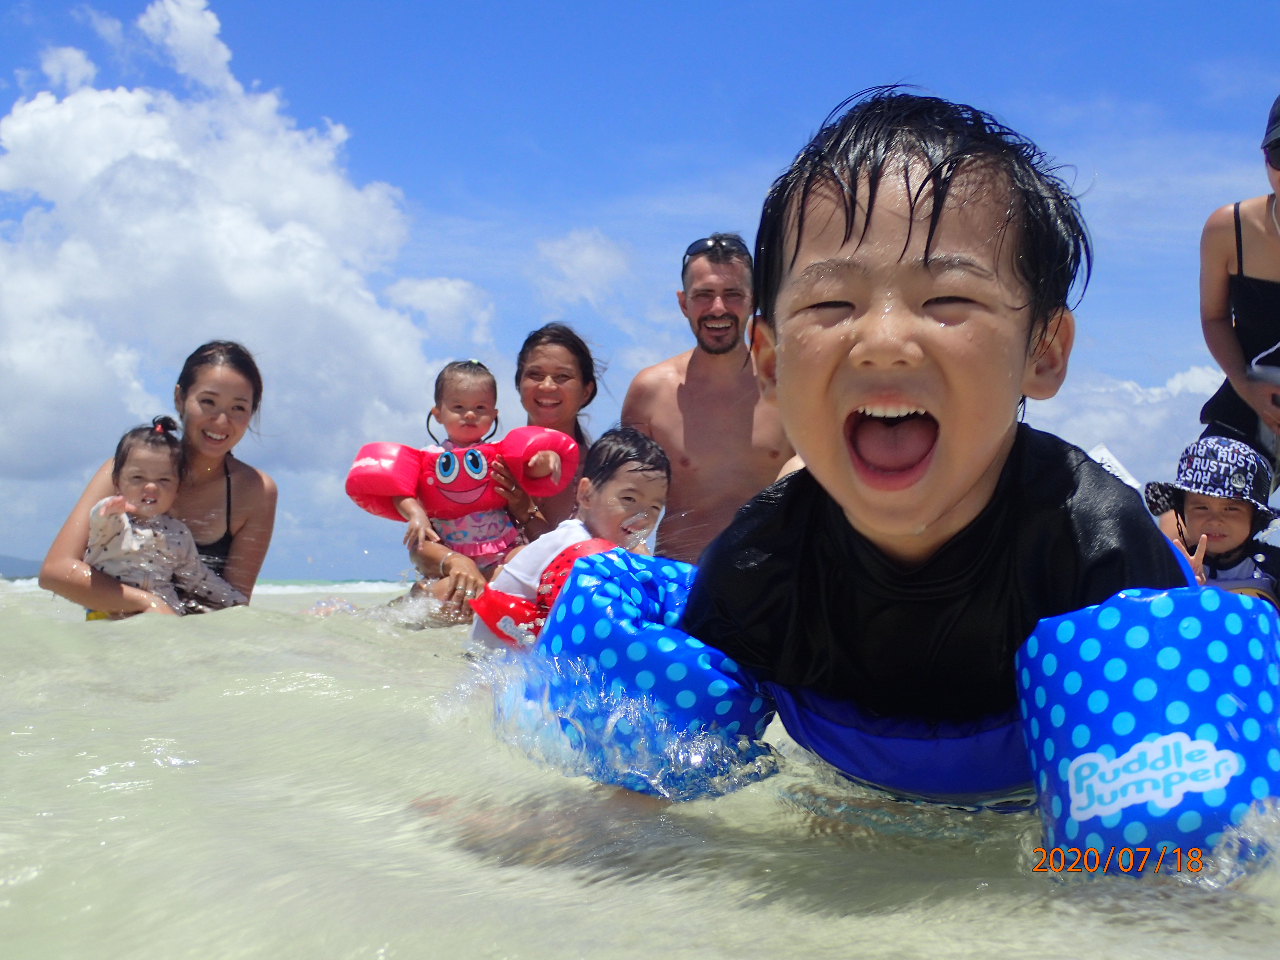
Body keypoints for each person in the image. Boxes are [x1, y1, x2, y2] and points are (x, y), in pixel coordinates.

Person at [679, 89, 1189, 803]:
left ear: (1042, 352)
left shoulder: (1097, 550)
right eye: (831, 304)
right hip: (849, 806)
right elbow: (657, 807)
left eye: (948, 299)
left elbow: (1173, 838)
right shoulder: (759, 566)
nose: (883, 342)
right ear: (769, 362)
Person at [41, 341, 278, 614]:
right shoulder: (122, 471)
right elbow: (55, 572)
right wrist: (148, 603)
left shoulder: (255, 491)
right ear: (179, 398)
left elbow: (233, 608)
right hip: (114, 639)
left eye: (238, 408)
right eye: (208, 402)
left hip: (190, 646)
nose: (222, 421)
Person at [621, 234, 793, 563]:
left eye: (732, 294)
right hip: (679, 590)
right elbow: (623, 496)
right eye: (704, 295)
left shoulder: (788, 385)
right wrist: (642, 566)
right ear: (684, 302)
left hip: (774, 593)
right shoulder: (651, 391)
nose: (718, 308)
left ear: (753, 299)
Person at [469, 427, 670, 647]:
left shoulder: (596, 547)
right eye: (629, 499)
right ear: (586, 494)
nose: (643, 517)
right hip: (491, 659)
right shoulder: (578, 546)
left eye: (654, 507)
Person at [394, 360, 567, 590]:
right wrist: (416, 514)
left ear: (494, 414)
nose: (469, 415)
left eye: (480, 408)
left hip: (500, 552)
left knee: (531, 559)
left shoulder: (500, 453)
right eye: (458, 407)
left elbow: (528, 468)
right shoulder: (427, 457)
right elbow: (399, 489)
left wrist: (545, 459)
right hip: (449, 554)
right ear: (437, 414)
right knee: (425, 551)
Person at [84, 417, 247, 618]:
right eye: (138, 478)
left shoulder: (177, 532)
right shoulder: (117, 522)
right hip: (109, 612)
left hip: (162, 617)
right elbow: (99, 524)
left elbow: (197, 578)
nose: (151, 486)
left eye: (163, 480)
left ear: (177, 488)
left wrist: (235, 601)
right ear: (117, 482)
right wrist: (107, 508)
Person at [1197, 93, 1280, 472]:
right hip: (1248, 402)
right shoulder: (1228, 229)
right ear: (1265, 158)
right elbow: (1214, 318)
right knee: (1195, 515)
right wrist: (1248, 389)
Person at [1144, 436, 1280, 596]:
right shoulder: (1171, 568)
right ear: (1182, 511)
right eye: (1202, 507)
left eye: (1231, 508)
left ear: (1256, 517)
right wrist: (1184, 586)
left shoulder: (1274, 566)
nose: (1215, 520)